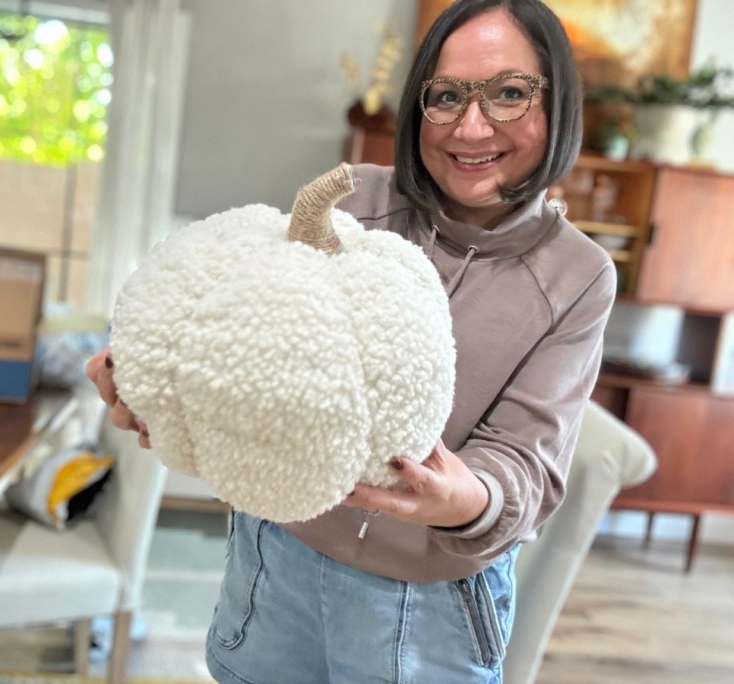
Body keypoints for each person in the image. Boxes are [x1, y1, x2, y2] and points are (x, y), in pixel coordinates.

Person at [85, 0, 615, 681]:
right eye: (446, 96)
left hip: (427, 606)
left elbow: (526, 462)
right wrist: (174, 387)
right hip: (276, 559)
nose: (471, 124)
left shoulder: (577, 276)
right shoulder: (354, 200)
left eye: (509, 94)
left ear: (558, 104)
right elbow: (254, 340)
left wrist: (465, 497)